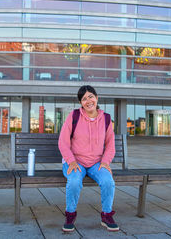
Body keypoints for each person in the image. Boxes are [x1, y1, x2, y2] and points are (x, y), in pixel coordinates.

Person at [58, 85, 119, 232]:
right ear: (81, 103)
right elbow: (63, 142)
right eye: (84, 99)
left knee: (108, 181)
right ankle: (70, 214)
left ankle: (106, 215)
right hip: (75, 162)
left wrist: (105, 162)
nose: (88, 100)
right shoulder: (74, 116)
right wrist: (71, 161)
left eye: (91, 96)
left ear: (97, 98)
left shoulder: (106, 118)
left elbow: (110, 144)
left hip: (96, 163)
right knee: (74, 181)